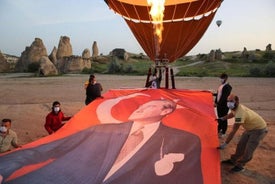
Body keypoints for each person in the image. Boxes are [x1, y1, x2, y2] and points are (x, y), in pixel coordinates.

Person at [0, 98, 203, 184]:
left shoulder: (185, 141)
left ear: (166, 110)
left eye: (149, 106)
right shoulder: (100, 130)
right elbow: (46, 149)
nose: (139, 107)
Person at [217, 94, 268, 172]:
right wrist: (223, 118)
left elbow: (233, 131)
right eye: (228, 101)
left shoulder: (240, 114)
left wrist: (225, 144)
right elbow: (232, 114)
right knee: (241, 145)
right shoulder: (235, 108)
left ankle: (240, 166)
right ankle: (233, 160)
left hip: (258, 130)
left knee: (248, 149)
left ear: (237, 101)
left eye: (231, 101)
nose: (228, 103)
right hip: (249, 128)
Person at [215, 73, 232, 137]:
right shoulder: (221, 86)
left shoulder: (228, 87)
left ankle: (224, 132)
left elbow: (224, 97)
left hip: (224, 105)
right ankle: (218, 129)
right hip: (219, 105)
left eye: (222, 78)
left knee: (224, 118)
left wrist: (217, 103)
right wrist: (211, 94)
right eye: (220, 78)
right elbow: (218, 95)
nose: (221, 79)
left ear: (226, 78)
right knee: (220, 117)